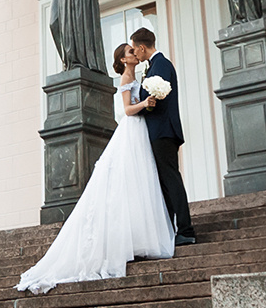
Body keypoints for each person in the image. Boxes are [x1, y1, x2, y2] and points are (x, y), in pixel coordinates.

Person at [14, 41, 177, 293]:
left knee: (140, 182)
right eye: (130, 52)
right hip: (131, 129)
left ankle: (138, 238)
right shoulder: (126, 77)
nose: (134, 53)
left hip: (140, 131)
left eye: (134, 50)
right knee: (127, 180)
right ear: (123, 59)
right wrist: (145, 104)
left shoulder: (137, 76)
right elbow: (127, 110)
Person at [129, 28, 199, 245]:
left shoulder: (161, 64)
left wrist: (142, 102)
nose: (135, 54)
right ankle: (172, 230)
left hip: (163, 131)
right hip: (160, 130)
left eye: (135, 49)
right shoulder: (155, 65)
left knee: (171, 179)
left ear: (142, 47)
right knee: (165, 182)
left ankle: (186, 230)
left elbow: (156, 98)